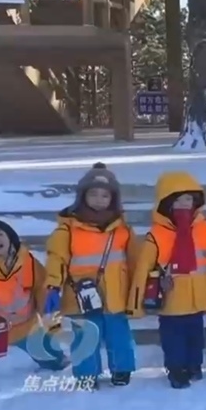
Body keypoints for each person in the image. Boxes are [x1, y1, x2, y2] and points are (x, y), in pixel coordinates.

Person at [44, 162, 138, 388]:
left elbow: (134, 259)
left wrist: (138, 288)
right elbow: (57, 259)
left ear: (113, 199)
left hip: (115, 293)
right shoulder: (67, 230)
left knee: (119, 334)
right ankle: (87, 374)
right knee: (85, 336)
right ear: (82, 196)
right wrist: (53, 285)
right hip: (81, 295)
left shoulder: (122, 229)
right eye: (93, 194)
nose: (99, 199)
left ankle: (122, 369)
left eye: (105, 195)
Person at [0, 219, 69, 408]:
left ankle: (59, 366)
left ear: (10, 238)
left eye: (0, 234)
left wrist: (51, 319)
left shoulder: (28, 262)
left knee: (52, 357)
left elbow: (42, 291)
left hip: (23, 326)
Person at [128, 172, 206, 389]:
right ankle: (176, 369)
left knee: (196, 336)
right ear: (166, 203)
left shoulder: (204, 227)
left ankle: (194, 365)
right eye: (178, 199)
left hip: (197, 295)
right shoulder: (157, 234)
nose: (184, 204)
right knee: (173, 339)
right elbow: (144, 267)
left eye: (188, 199)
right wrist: (136, 301)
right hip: (171, 297)